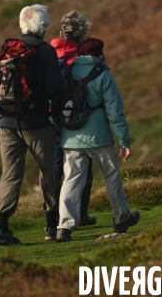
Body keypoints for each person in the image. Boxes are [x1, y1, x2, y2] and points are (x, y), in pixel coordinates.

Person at [53, 10, 140, 242]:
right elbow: (115, 112)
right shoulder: (103, 74)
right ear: (100, 55)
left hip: (70, 137)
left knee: (71, 180)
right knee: (111, 176)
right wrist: (123, 142)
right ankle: (121, 217)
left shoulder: (66, 71)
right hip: (99, 138)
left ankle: (64, 226)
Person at [0, 4, 61, 245]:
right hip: (36, 123)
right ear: (45, 27)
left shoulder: (6, 50)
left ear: (22, 25)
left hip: (5, 123)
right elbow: (53, 89)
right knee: (48, 172)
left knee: (10, 174)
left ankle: (2, 228)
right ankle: (51, 225)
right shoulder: (46, 52)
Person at [50, 14, 107, 226]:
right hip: (79, 117)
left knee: (56, 166)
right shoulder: (83, 57)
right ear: (84, 35)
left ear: (60, 33)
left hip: (52, 116)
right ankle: (81, 213)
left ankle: (55, 215)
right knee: (83, 163)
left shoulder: (49, 53)